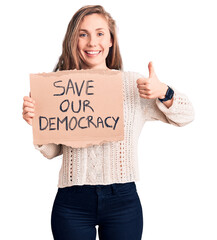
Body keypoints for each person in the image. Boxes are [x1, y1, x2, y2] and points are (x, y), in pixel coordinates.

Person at [22, 5, 194, 240]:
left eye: (100, 33)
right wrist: (36, 125)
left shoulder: (133, 85)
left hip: (122, 201)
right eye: (83, 34)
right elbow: (53, 151)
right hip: (72, 203)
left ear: (111, 40)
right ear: (74, 40)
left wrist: (164, 91)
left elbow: (187, 116)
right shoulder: (58, 89)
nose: (92, 42)